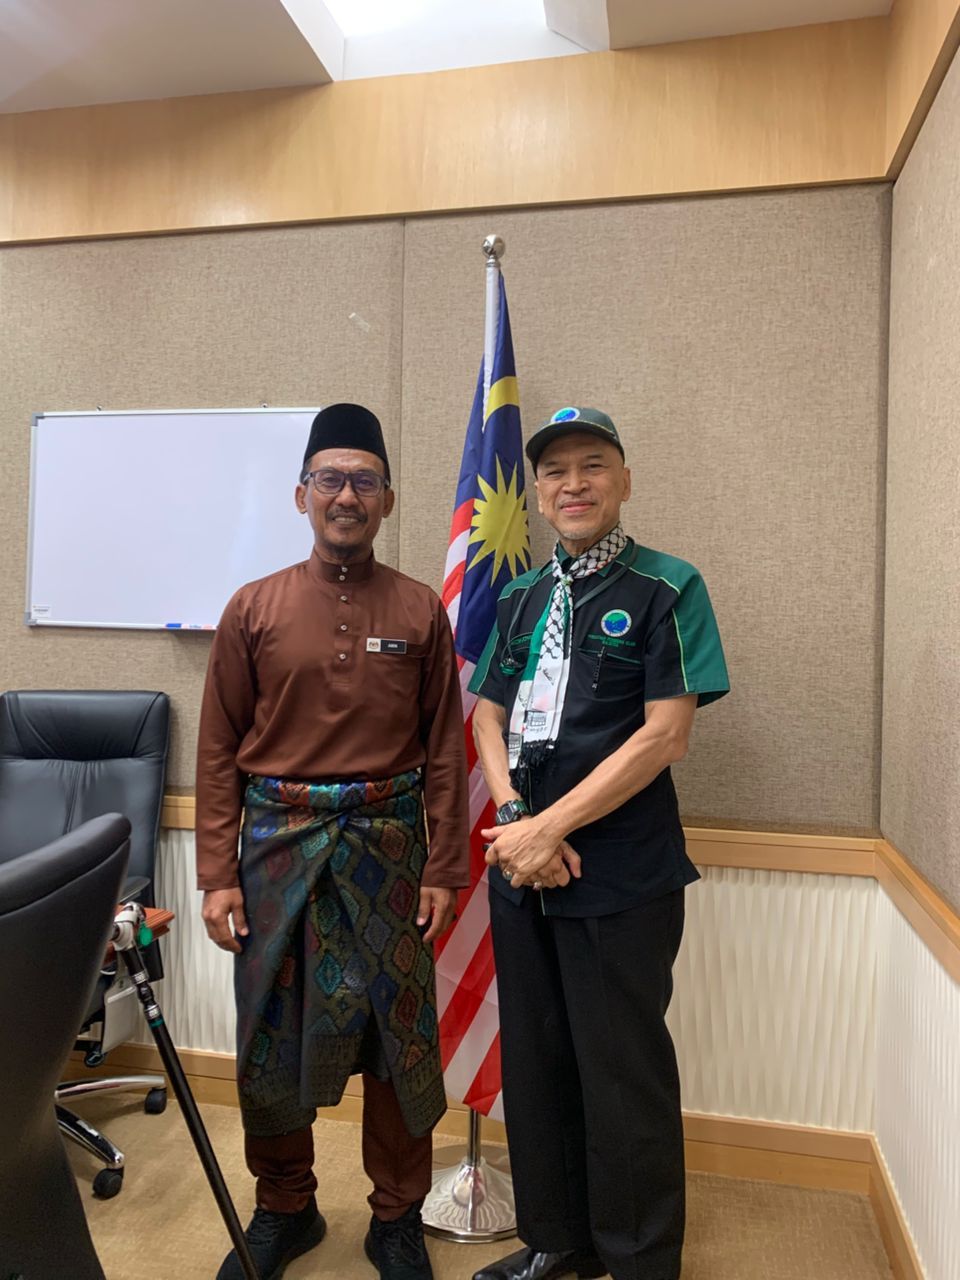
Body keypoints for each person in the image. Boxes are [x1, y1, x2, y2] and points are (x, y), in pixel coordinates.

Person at [195, 403, 469, 1280]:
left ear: (387, 499)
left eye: (363, 481)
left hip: (390, 856)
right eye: (330, 480)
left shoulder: (420, 609)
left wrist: (444, 866)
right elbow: (217, 750)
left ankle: (397, 1216)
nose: (346, 496)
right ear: (301, 494)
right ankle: (286, 1206)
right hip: (274, 855)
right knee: (271, 1038)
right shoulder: (253, 607)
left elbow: (444, 750)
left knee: (397, 1038)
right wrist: (216, 875)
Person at [468, 407, 730, 1280]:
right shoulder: (520, 597)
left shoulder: (668, 587)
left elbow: (666, 735)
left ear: (624, 480)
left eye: (592, 465)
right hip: (523, 870)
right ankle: (559, 1238)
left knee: (622, 1074)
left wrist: (551, 827)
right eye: (555, 471)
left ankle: (640, 1259)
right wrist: (517, 820)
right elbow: (488, 716)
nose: (572, 484)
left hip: (618, 876)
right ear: (538, 493)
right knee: (538, 1064)